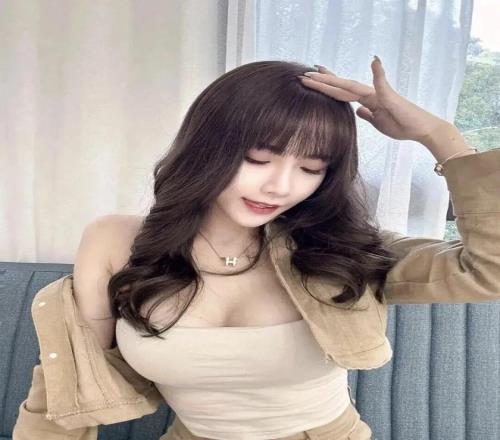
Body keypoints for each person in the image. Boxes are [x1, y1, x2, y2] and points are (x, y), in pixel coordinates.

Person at [15, 57, 499, 440]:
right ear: (207, 147)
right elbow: (68, 388)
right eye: (258, 158)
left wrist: (440, 137)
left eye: (311, 169)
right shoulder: (117, 242)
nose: (280, 187)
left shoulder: (343, 250)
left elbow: (487, 270)